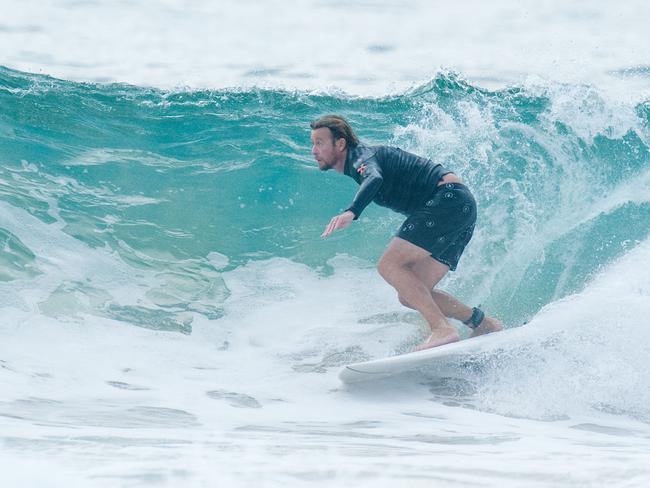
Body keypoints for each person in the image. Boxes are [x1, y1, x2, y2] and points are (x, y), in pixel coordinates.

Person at [310, 114, 502, 351]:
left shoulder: (362, 158)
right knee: (411, 292)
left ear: (340, 144)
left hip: (447, 199)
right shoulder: (361, 161)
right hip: (461, 207)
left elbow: (374, 177)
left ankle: (442, 329)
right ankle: (482, 323)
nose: (313, 150)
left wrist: (352, 211)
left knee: (389, 265)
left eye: (319, 143)